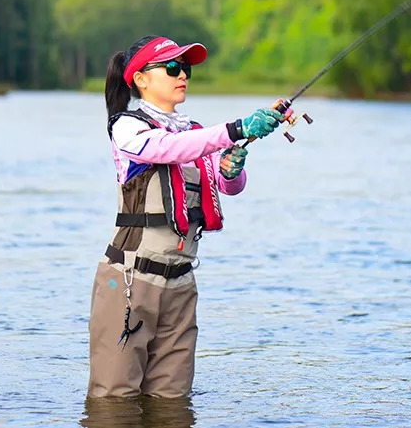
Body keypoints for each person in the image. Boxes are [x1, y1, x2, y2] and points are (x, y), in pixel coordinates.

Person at [87, 35, 284, 399]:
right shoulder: (127, 127)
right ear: (140, 79)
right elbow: (165, 149)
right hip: (130, 280)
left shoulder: (195, 132)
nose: (183, 76)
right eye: (173, 68)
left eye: (187, 69)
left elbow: (229, 187)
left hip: (181, 284)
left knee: (173, 404)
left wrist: (231, 167)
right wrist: (234, 130)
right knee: (113, 402)